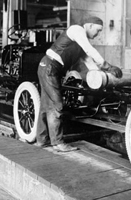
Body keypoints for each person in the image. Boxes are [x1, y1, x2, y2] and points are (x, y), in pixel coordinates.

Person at [36, 16, 122, 152]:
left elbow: (91, 64)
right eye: (98, 30)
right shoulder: (77, 30)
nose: (98, 34)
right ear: (90, 25)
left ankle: (42, 140)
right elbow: (89, 49)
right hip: (50, 67)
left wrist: (104, 76)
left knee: (45, 106)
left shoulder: (79, 44)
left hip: (48, 67)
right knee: (56, 106)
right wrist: (107, 65)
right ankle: (58, 143)